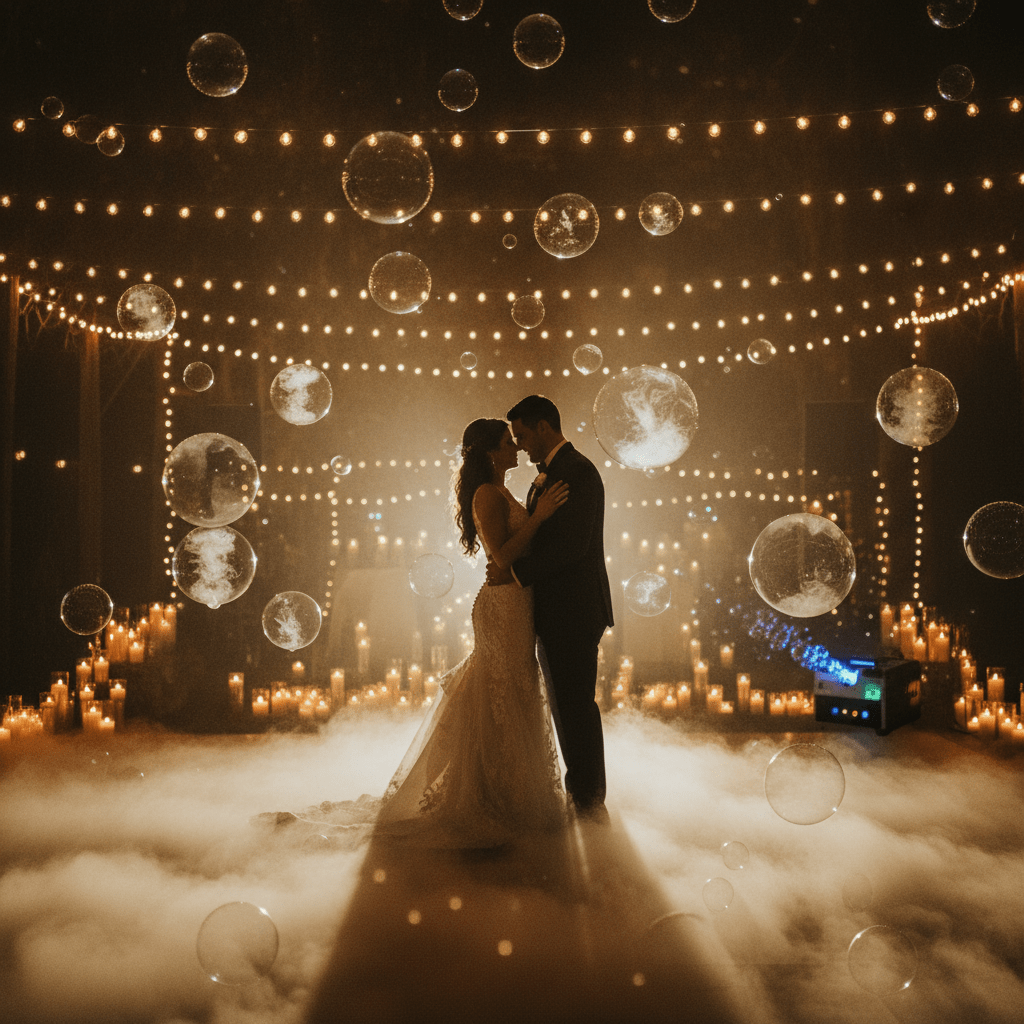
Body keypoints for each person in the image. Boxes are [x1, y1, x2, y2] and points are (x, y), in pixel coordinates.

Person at [373, 417, 570, 847]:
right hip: (501, 607)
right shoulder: (485, 493)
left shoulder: (500, 489)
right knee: (501, 690)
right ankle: (495, 794)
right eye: (506, 442)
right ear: (488, 452)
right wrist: (539, 518)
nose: (515, 448)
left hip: (517, 604)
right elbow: (500, 557)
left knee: (513, 689)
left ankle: (506, 789)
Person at [504, 395, 614, 817]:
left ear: (544, 428)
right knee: (566, 705)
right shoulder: (556, 472)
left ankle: (589, 798)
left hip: (573, 610)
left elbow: (572, 546)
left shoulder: (577, 472)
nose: (521, 446)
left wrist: (514, 575)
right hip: (559, 611)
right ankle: (581, 792)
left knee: (576, 706)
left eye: (523, 436)